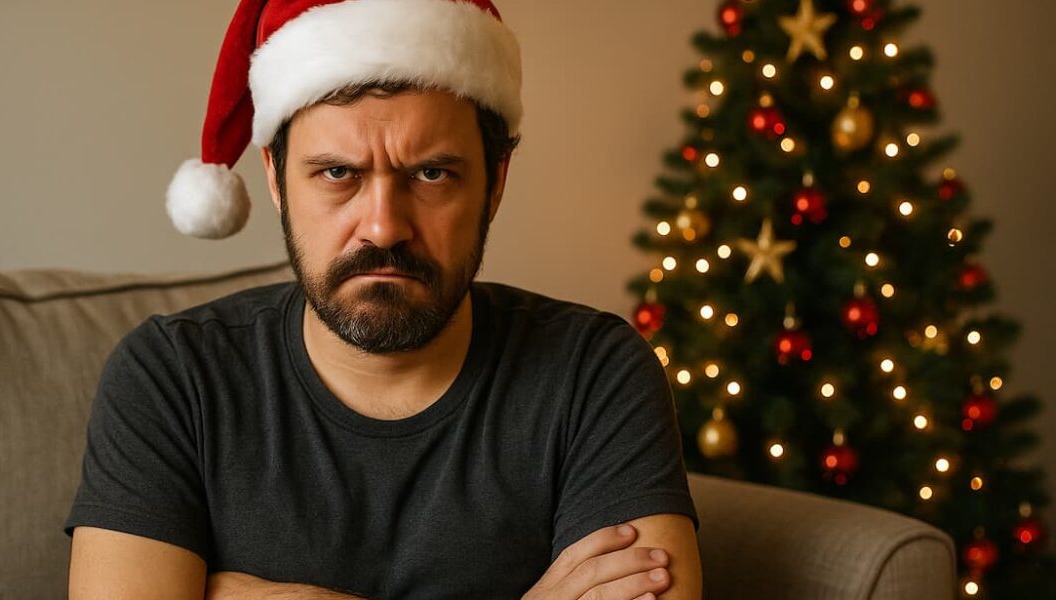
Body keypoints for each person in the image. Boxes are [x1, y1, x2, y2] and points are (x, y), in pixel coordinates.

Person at [64, 1, 702, 598]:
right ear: (276, 179)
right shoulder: (172, 376)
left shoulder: (594, 373)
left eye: (431, 174)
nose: (383, 226)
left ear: (495, 181)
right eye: (338, 173)